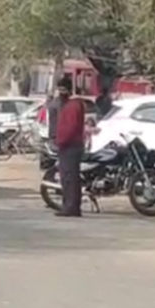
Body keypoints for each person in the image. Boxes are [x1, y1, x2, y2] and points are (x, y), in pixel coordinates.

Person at [54, 78, 86, 217]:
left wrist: (61, 141)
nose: (60, 93)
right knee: (70, 177)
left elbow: (70, 128)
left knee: (69, 178)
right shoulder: (72, 104)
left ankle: (70, 207)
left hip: (69, 145)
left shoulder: (72, 106)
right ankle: (70, 205)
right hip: (70, 145)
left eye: (62, 90)